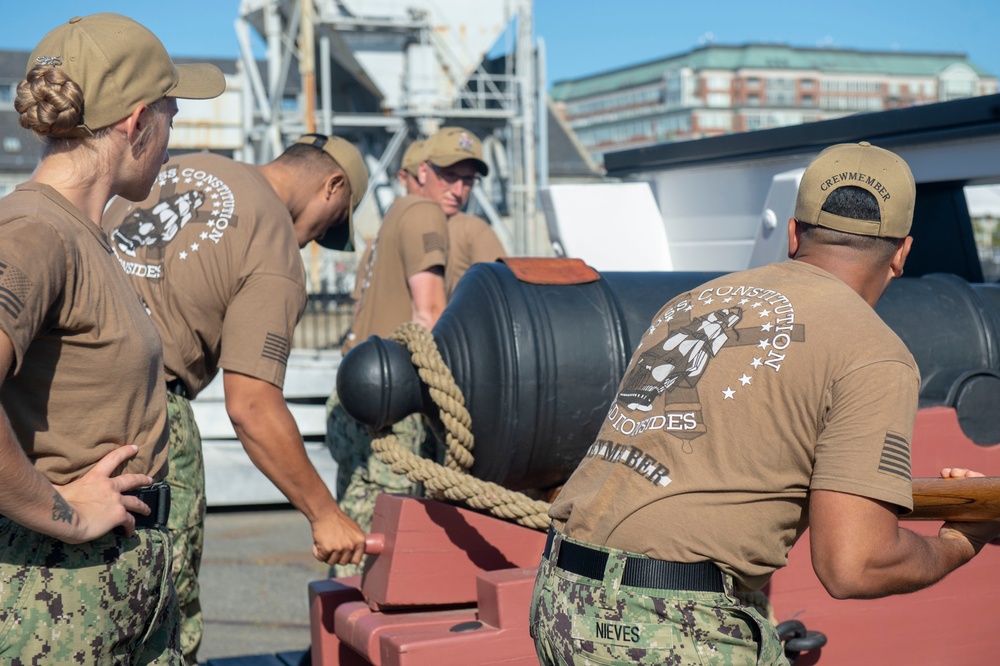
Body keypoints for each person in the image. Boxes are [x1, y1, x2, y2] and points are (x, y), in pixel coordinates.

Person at [529, 142, 1000, 665]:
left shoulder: (689, 303)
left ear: (795, 233)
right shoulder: (874, 355)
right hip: (667, 622)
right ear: (901, 253)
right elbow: (856, 565)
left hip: (560, 594)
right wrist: (960, 541)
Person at [0, 13, 224, 664]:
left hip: (117, 584)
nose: (170, 141)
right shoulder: (35, 233)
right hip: (56, 599)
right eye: (172, 118)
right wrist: (59, 511)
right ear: (136, 123)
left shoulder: (81, 233)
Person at [102, 133, 369, 662]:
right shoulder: (272, 243)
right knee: (160, 615)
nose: (315, 239)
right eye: (331, 223)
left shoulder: (177, 166)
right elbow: (251, 406)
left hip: (53, 394)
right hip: (148, 420)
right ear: (332, 186)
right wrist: (324, 514)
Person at [326, 126, 489, 576]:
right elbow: (429, 312)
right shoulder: (423, 213)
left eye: (468, 180)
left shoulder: (389, 224)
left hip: (357, 391)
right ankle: (360, 636)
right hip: (394, 403)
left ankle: (338, 635)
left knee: (356, 529)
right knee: (384, 546)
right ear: (420, 173)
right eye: (448, 176)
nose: (458, 189)